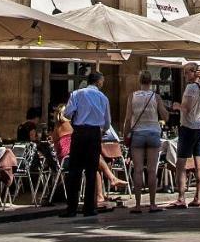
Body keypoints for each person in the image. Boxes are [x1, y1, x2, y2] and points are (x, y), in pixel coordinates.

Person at [60, 70, 111, 218]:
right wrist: (101, 130)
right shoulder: (103, 97)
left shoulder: (77, 94)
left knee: (75, 171)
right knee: (91, 171)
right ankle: (89, 208)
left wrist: (77, 115)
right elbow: (107, 122)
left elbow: (67, 113)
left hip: (80, 133)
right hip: (95, 133)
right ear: (99, 82)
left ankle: (71, 208)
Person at [123, 69, 168, 213]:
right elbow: (165, 116)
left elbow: (128, 118)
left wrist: (125, 135)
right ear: (151, 82)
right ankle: (153, 204)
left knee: (137, 170)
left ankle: (137, 205)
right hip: (153, 133)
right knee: (152, 170)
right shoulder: (155, 97)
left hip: (138, 134)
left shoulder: (132, 96)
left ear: (139, 81)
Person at [171, 62, 200, 208]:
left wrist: (176, 106)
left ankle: (181, 198)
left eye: (187, 72)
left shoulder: (190, 88)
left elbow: (186, 108)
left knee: (181, 164)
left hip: (188, 128)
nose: (184, 75)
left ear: (194, 72)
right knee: (199, 164)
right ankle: (197, 197)